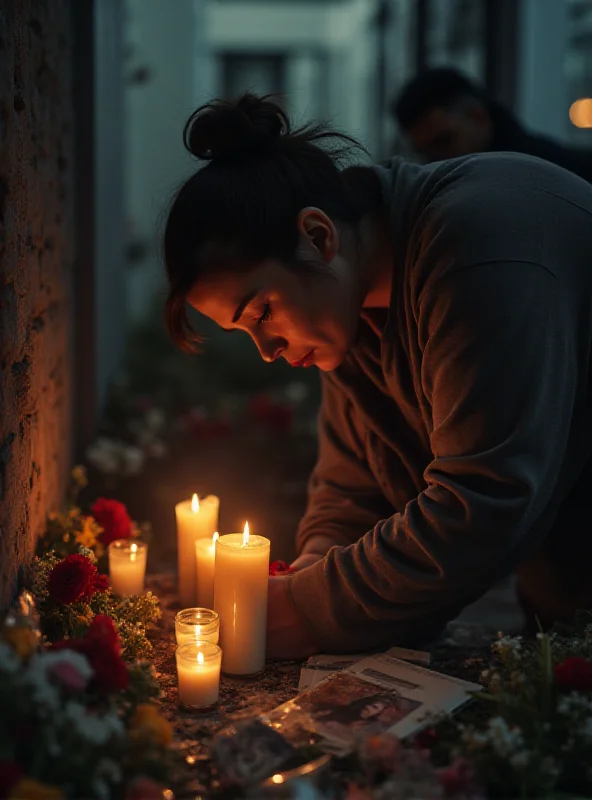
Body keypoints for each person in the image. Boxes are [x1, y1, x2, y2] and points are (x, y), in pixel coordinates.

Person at [163, 93, 592, 658]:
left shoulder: (481, 240)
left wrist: (307, 608)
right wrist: (314, 568)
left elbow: (486, 498)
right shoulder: (349, 303)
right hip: (563, 594)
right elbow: (353, 483)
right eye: (244, 333)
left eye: (262, 312)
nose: (266, 350)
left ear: (317, 237)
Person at [392, 67, 592, 182]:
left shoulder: (552, 176)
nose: (435, 161)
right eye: (425, 155)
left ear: (477, 117)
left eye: (444, 141)